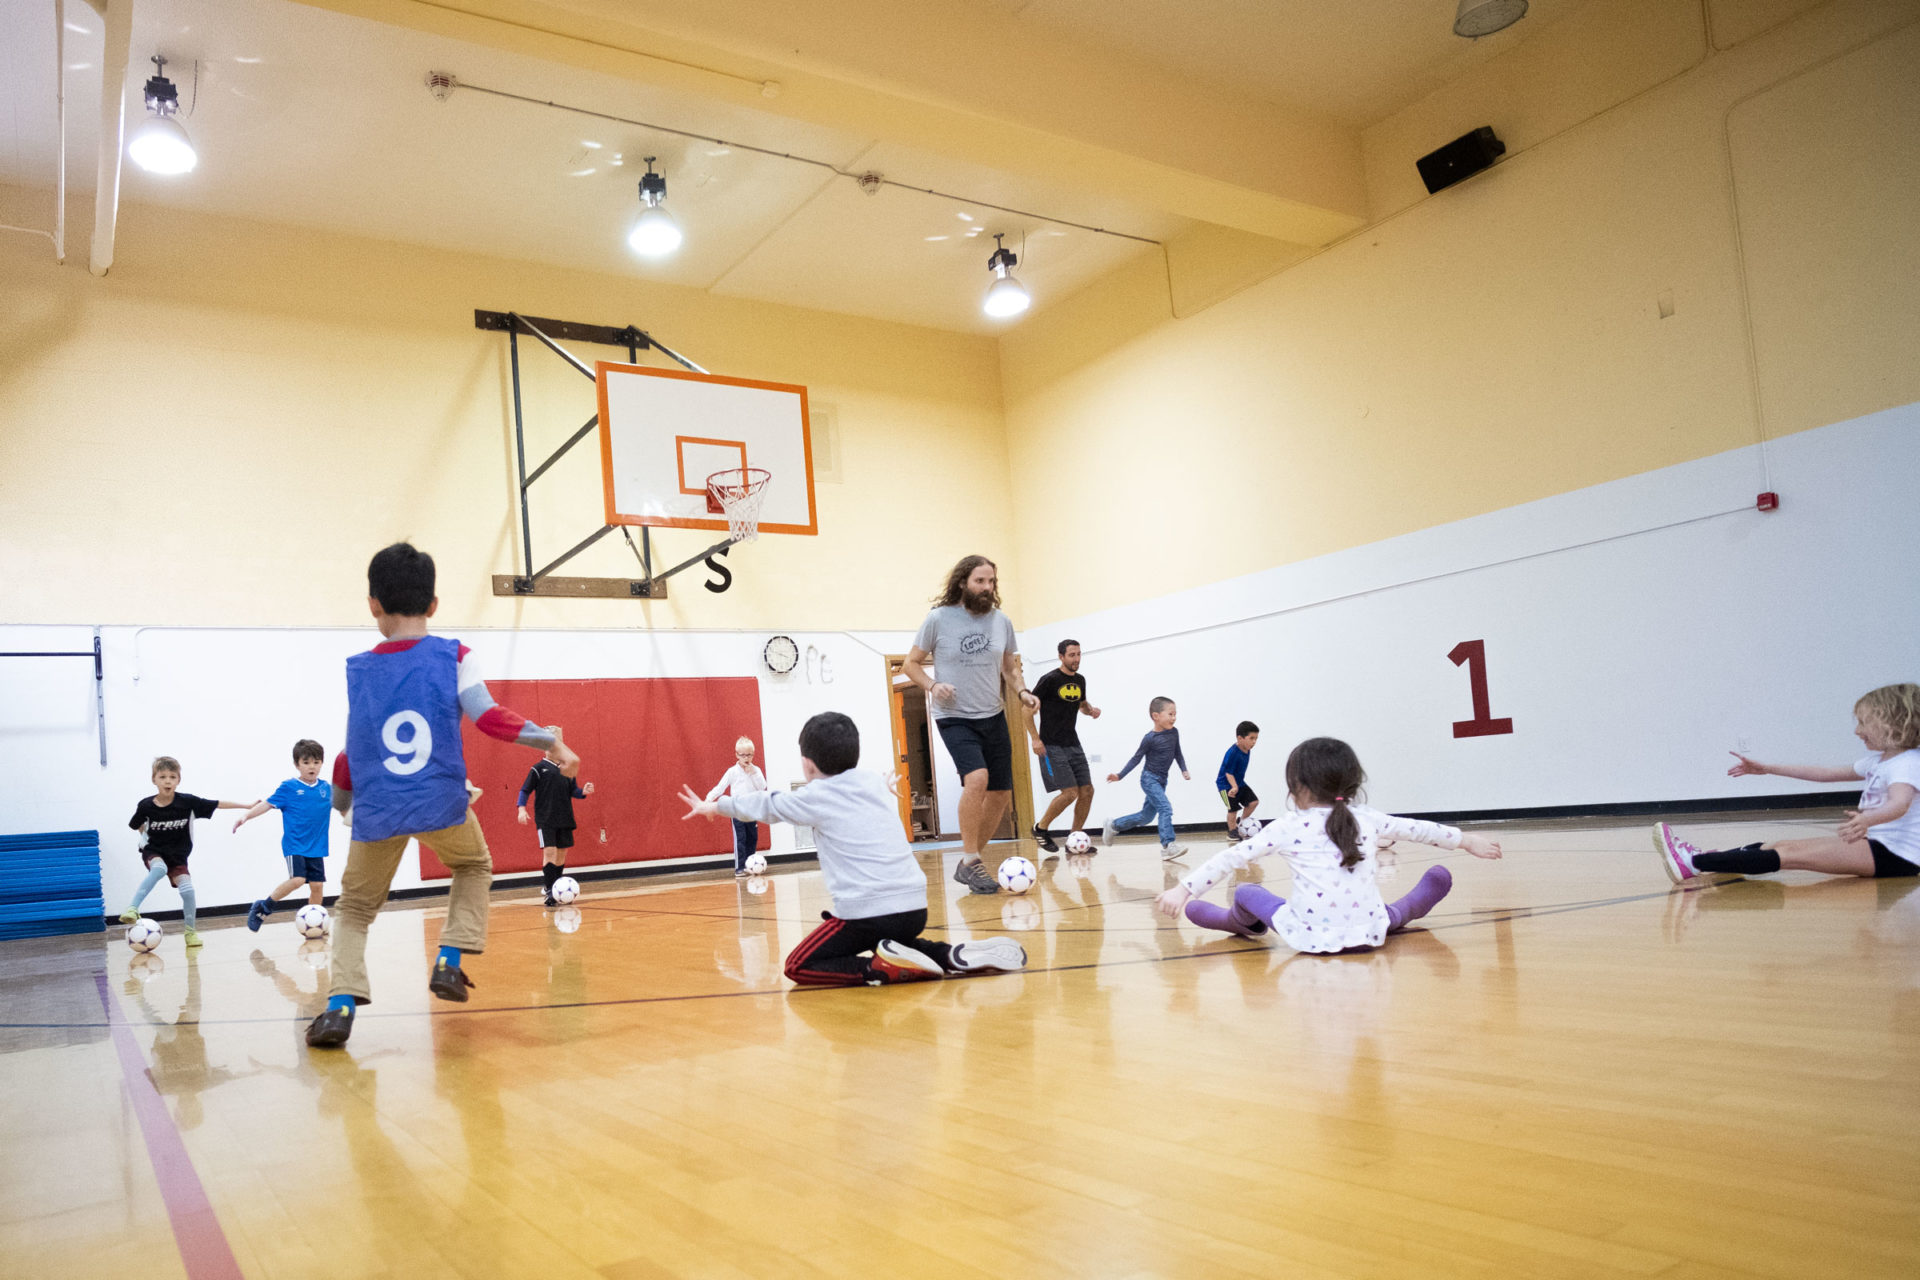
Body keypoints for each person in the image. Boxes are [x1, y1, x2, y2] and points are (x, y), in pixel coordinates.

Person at [306, 543, 577, 1049]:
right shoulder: (454, 655)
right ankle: (450, 960)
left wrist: (343, 808)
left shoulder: (360, 670)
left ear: (373, 604)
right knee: (473, 867)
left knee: (356, 910)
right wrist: (549, 739)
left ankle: (340, 1007)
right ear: (433, 604)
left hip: (378, 811)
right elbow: (490, 717)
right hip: (440, 803)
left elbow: (351, 752)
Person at [679, 711, 1027, 984]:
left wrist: (716, 806)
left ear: (807, 764)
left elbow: (765, 803)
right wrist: (884, 784)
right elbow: (874, 783)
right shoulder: (871, 782)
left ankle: (878, 971)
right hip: (914, 909)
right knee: (895, 942)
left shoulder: (815, 796)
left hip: (867, 915)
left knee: (799, 964)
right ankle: (948, 956)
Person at [1157, 736, 1502, 949]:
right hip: (1370, 931)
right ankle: (1416, 903)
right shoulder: (1366, 817)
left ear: (1296, 787)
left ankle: (1233, 922)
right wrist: (1466, 840)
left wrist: (1184, 889)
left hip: (1307, 936)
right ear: (1352, 785)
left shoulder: (1287, 825)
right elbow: (1416, 829)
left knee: (1247, 893)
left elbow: (1229, 860)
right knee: (1390, 914)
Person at [1655, 682, 1920, 882]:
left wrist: (1868, 820)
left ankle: (1695, 862)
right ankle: (1705, 860)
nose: (1857, 731)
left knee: (1791, 855)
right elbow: (1824, 773)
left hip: (1896, 856)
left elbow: (1900, 804)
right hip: (1879, 846)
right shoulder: (1880, 761)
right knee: (1780, 846)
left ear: (1893, 724)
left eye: (1864, 723)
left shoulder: (1907, 763)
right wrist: (1768, 769)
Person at [903, 555, 1038, 894]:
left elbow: (1010, 667)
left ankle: (969, 861)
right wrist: (932, 686)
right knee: (977, 778)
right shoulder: (938, 619)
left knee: (1001, 794)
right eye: (980, 581)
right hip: (953, 715)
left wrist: (1021, 691)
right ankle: (971, 859)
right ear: (963, 582)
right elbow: (911, 664)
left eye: (991, 582)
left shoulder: (1001, 622)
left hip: (992, 714)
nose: (987, 588)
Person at [119, 757, 250, 948]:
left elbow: (217, 803)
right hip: (154, 851)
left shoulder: (187, 802)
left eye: (172, 777)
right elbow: (134, 824)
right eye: (162, 777)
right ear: (153, 780)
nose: (167, 781)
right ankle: (132, 909)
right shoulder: (146, 805)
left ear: (178, 780)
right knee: (159, 869)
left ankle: (190, 933)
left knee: (188, 891)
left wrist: (247, 806)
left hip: (178, 857)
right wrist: (144, 835)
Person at [234, 739, 334, 931]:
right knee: (297, 879)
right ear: (297, 765)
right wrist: (247, 815)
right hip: (295, 844)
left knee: (317, 886)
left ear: (322, 763)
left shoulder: (326, 789)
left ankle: (316, 924)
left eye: (316, 762)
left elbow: (345, 803)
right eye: (306, 763)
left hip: (317, 847)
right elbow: (267, 804)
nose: (311, 767)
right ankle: (263, 907)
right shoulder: (288, 787)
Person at [1026, 639, 1103, 852]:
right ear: (1061, 656)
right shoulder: (1049, 680)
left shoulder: (1080, 680)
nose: (1076, 659)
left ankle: (1074, 838)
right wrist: (1035, 738)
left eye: (1079, 654)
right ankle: (1041, 829)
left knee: (1087, 790)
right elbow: (1026, 711)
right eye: (1072, 655)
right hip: (1050, 745)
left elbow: (1081, 705)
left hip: (1073, 743)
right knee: (1070, 792)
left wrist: (1091, 710)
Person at [1104, 696, 1191, 859]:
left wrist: (1183, 769)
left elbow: (1177, 752)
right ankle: (1168, 846)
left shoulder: (1174, 733)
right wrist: (1120, 775)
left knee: (1146, 817)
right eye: (1170, 714)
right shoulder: (1149, 738)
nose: (1174, 718)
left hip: (1162, 780)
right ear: (1156, 716)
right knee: (1165, 808)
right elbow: (1136, 758)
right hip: (1149, 779)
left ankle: (1114, 825)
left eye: (1175, 714)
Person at [517, 727, 595, 905]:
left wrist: (584, 791)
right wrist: (521, 809)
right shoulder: (538, 769)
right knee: (550, 852)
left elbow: (573, 790)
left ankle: (556, 887)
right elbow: (525, 790)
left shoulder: (567, 768)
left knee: (561, 854)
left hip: (565, 817)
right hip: (546, 818)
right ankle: (550, 890)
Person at [705, 736, 769, 877]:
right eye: (743, 755)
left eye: (749, 755)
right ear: (737, 755)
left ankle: (750, 865)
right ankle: (740, 868)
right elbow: (720, 787)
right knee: (740, 839)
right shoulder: (732, 772)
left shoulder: (755, 770)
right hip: (737, 810)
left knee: (752, 838)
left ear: (753, 754)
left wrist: (753, 773)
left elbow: (762, 787)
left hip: (752, 810)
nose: (746, 758)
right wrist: (709, 799)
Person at [1218, 721, 1261, 836]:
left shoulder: (1247, 749)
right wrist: (1234, 786)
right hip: (1225, 785)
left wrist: (1237, 785)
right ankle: (1232, 831)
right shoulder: (1232, 753)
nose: (1254, 742)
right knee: (1233, 809)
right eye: (1251, 738)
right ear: (1240, 738)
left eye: (1256, 738)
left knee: (1253, 802)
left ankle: (1241, 823)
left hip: (1239, 783)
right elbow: (1228, 773)